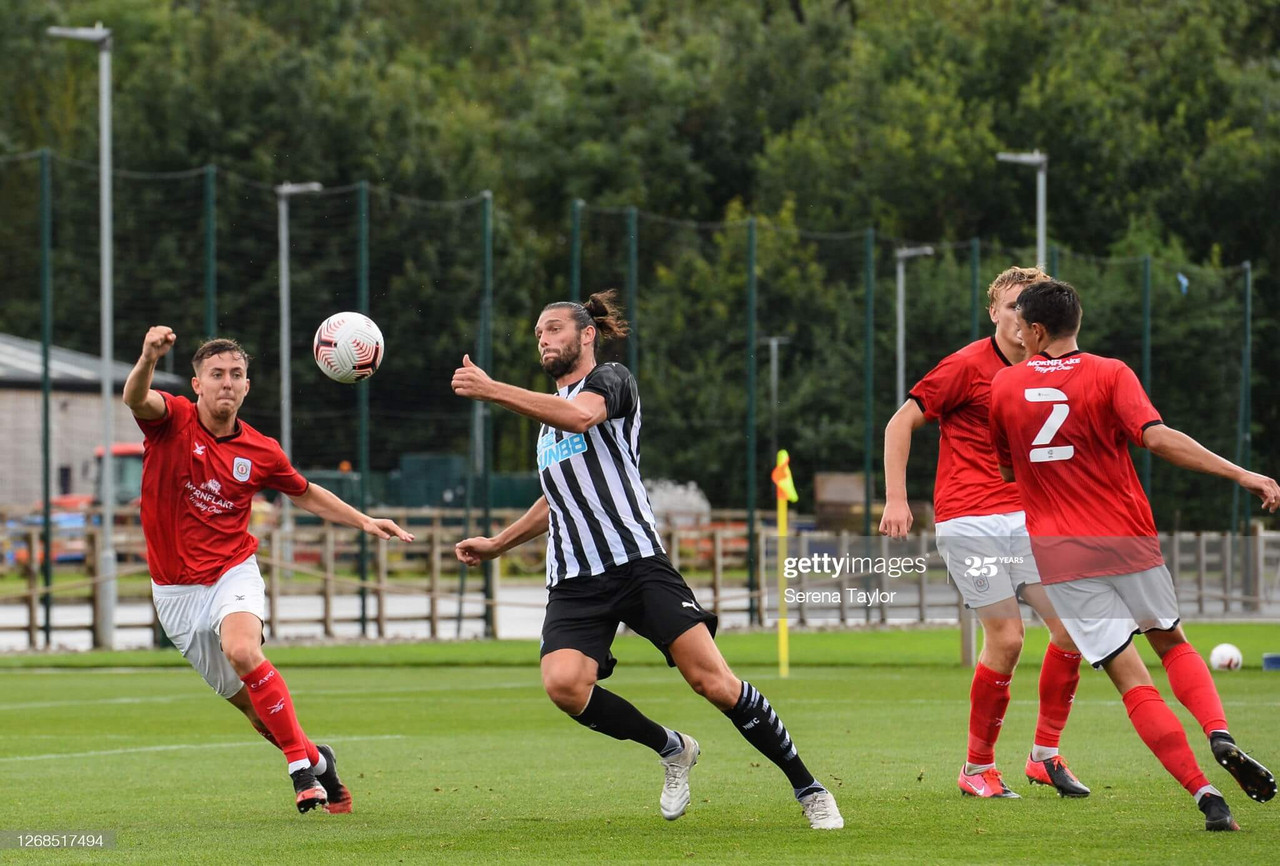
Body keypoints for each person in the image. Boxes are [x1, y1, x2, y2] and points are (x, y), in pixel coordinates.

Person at [451, 290, 843, 829]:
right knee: (564, 686)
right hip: (574, 578)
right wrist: (498, 543)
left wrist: (493, 390)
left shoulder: (611, 380)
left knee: (715, 684)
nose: (544, 339)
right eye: (539, 332)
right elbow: (557, 497)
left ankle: (809, 786)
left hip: (637, 564)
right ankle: (672, 747)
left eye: (555, 329)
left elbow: (581, 419)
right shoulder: (546, 426)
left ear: (586, 335)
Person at [988, 279, 1279, 830]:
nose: (1018, 337)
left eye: (1022, 328)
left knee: (1131, 680)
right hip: (1128, 538)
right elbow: (1158, 438)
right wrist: (1240, 473)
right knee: (1171, 643)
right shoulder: (1110, 373)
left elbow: (1007, 471)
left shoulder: (1004, 387)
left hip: (1063, 558)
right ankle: (1219, 733)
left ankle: (1206, 796)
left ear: (1039, 330)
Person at [123, 326, 415, 814]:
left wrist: (364, 520)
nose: (227, 383)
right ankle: (319, 760)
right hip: (173, 592)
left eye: (236, 375)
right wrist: (148, 356)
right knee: (254, 710)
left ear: (247, 386)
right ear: (196, 384)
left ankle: (301, 773)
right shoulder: (170, 419)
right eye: (216, 374)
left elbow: (306, 493)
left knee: (242, 649)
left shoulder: (262, 450)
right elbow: (135, 397)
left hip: (231, 571)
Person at [880, 266, 1089, 800]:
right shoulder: (965, 366)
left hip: (1029, 520)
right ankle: (976, 768)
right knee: (1009, 637)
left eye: (1030, 307)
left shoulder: (1051, 369)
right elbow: (900, 422)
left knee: (1070, 632)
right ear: (994, 312)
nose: (1022, 317)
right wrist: (898, 499)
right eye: (1012, 306)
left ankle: (1044, 756)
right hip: (969, 520)